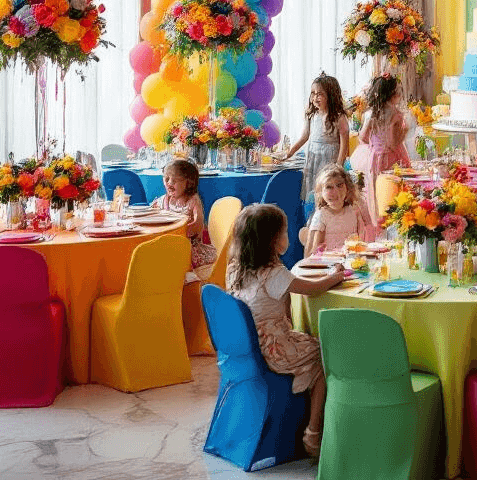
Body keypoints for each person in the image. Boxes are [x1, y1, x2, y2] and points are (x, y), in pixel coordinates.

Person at [227, 202, 347, 457]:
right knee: (325, 355)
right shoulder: (274, 274)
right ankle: (313, 431)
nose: (287, 236)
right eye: (283, 232)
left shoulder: (236, 268)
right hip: (273, 349)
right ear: (271, 241)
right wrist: (336, 276)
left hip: (245, 347)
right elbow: (312, 289)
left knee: (309, 342)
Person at [281, 73, 350, 196]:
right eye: (313, 93)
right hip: (313, 158)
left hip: (329, 160)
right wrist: (289, 153)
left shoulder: (339, 117)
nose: (315, 98)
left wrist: (338, 167)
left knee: (327, 190)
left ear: (331, 95)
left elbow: (344, 146)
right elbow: (304, 136)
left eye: (320, 94)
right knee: (313, 191)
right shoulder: (311, 115)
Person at [152, 158, 216, 270]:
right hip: (168, 245)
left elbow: (198, 224)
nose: (169, 183)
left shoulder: (192, 200)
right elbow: (151, 214)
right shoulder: (164, 200)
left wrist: (177, 232)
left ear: (188, 183)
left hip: (188, 248)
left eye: (175, 181)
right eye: (166, 179)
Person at [302, 164, 375, 255]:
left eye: (339, 185)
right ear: (320, 192)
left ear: (347, 188)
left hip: (350, 259)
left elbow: (362, 241)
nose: (335, 191)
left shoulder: (353, 210)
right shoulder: (322, 215)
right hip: (327, 261)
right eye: (329, 187)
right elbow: (312, 252)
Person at [358, 73, 411, 183]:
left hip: (375, 157)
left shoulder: (371, 114)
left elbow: (362, 137)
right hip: (392, 158)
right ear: (393, 95)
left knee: (377, 186)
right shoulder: (396, 115)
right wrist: (404, 131)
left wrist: (375, 144)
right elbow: (392, 143)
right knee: (392, 186)